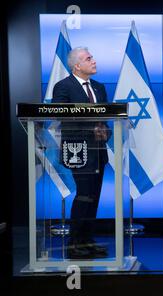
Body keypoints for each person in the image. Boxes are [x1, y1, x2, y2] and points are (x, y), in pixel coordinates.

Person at [52, 47, 110, 259]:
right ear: (77, 65)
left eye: (92, 57)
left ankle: (87, 240)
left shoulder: (99, 87)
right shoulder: (63, 87)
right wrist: (90, 129)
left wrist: (105, 131)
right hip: (78, 150)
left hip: (98, 150)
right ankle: (75, 243)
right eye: (88, 58)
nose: (93, 61)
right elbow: (63, 118)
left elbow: (106, 117)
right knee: (84, 195)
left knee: (93, 197)